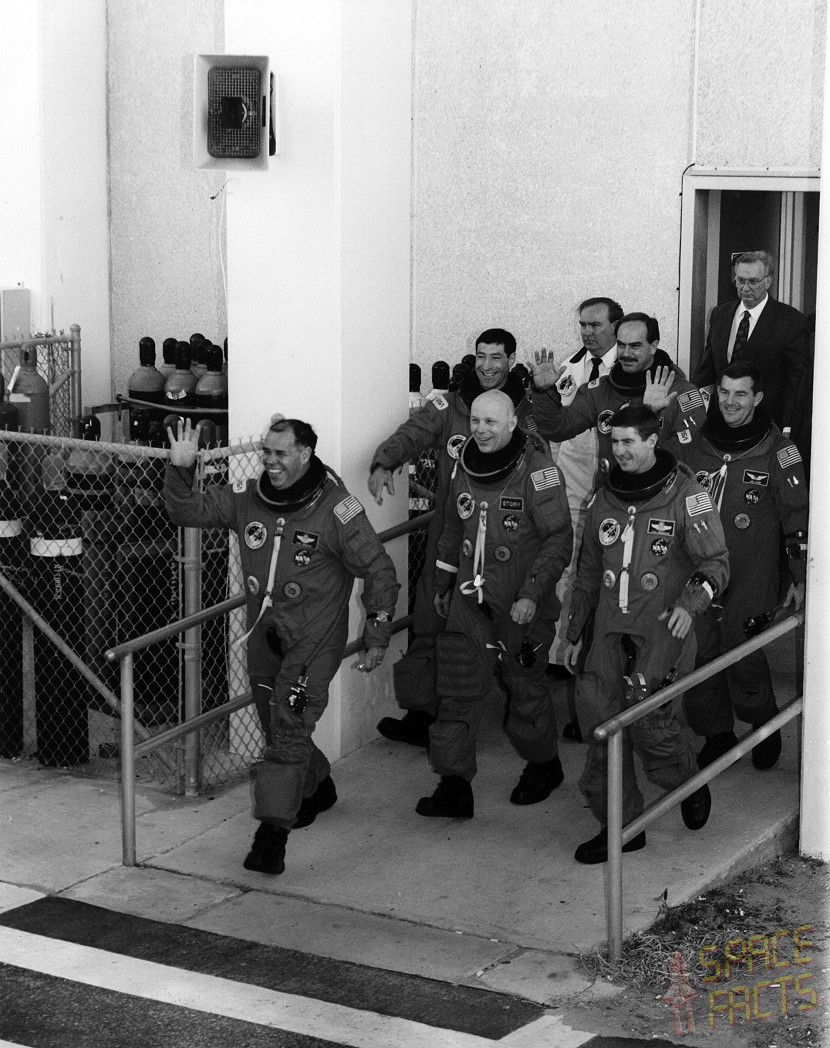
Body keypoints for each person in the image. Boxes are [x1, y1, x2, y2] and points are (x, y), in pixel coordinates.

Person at [165, 416, 399, 876]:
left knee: (288, 732)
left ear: (305, 455)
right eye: (267, 452)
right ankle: (317, 785)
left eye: (280, 453)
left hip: (312, 643)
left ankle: (271, 836)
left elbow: (380, 572)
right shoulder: (249, 501)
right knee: (277, 729)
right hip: (264, 639)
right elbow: (186, 511)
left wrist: (376, 634)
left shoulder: (337, 510)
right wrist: (181, 468)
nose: (270, 462)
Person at [564, 405, 729, 864]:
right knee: (600, 727)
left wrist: (689, 604)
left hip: (661, 631)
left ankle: (688, 781)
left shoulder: (687, 495)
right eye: (614, 442)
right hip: (608, 632)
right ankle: (622, 828)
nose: (619, 452)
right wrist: (575, 630)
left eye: (628, 442)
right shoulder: (602, 499)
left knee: (653, 728)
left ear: (652, 440)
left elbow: (716, 563)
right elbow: (588, 572)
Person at [368, 328, 539, 747]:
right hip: (451, 539)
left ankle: (521, 726)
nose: (486, 365)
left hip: (504, 550)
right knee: (429, 623)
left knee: (505, 640)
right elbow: (412, 432)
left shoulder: (527, 412)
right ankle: (422, 715)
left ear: (511, 360)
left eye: (496, 357)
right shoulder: (449, 404)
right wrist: (384, 462)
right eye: (480, 356)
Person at [416, 390, 572, 818]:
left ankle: (544, 764)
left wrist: (531, 594)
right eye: (475, 422)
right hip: (470, 598)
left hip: (520, 602)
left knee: (524, 689)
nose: (480, 430)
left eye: (490, 423)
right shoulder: (464, 466)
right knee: (458, 689)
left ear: (511, 425)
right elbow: (452, 525)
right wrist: (444, 581)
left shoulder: (538, 473)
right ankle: (453, 784)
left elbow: (560, 539)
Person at [673, 363, 808, 770]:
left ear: (758, 398)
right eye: (724, 393)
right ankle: (716, 732)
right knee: (699, 653)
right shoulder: (695, 441)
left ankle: (763, 723)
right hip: (696, 568)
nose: (730, 402)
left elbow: (797, 517)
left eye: (741, 394)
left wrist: (801, 578)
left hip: (751, 571)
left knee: (742, 653)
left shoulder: (778, 452)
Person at [545, 296, 624, 739]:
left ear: (617, 326)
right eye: (582, 325)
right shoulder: (571, 371)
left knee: (607, 581)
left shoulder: (635, 370)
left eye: (595, 324)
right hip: (575, 490)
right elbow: (555, 430)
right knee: (571, 573)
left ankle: (602, 680)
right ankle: (566, 656)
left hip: (618, 495)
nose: (587, 332)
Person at [530, 313, 708, 482]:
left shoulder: (682, 393)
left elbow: (689, 455)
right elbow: (558, 428)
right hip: (612, 496)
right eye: (621, 345)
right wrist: (544, 391)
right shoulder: (601, 390)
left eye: (635, 346)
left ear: (653, 346)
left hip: (663, 499)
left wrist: (645, 415)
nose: (626, 353)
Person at [693, 250, 810, 444]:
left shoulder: (791, 321)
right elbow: (707, 372)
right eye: (740, 280)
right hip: (720, 421)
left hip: (766, 426)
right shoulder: (720, 315)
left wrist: (789, 428)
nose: (745, 287)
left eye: (753, 281)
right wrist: (695, 414)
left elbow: (796, 384)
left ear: (768, 281)